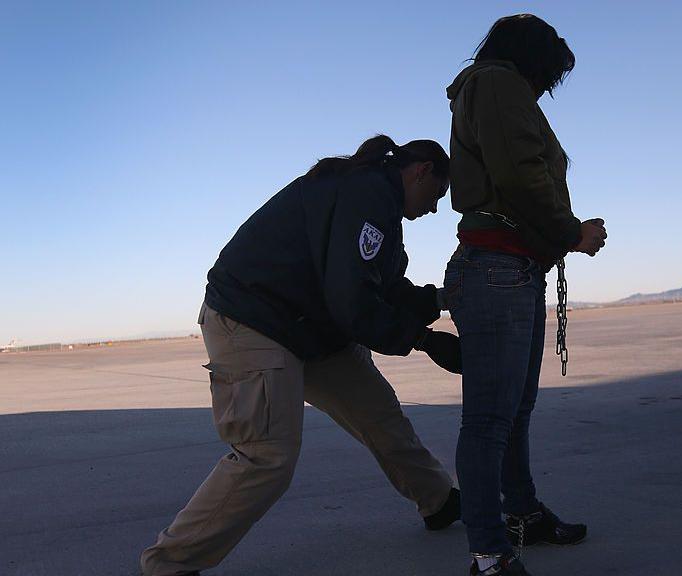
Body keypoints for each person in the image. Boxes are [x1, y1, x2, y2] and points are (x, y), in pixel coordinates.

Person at [140, 135, 464, 576]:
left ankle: (440, 501)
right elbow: (353, 302)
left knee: (378, 413)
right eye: (437, 195)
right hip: (255, 319)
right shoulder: (367, 193)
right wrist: (424, 341)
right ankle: (169, 564)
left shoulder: (380, 210)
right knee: (266, 455)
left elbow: (382, 288)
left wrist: (442, 299)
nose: (434, 208)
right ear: (421, 170)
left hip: (310, 328)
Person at [444, 14, 608, 576]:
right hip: (496, 268)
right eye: (547, 75)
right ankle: (489, 552)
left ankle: (521, 515)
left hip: (512, 267)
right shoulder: (495, 82)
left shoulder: (493, 88)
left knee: (513, 413)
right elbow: (519, 174)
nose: (545, 89)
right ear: (531, 58)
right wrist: (572, 232)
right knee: (491, 419)